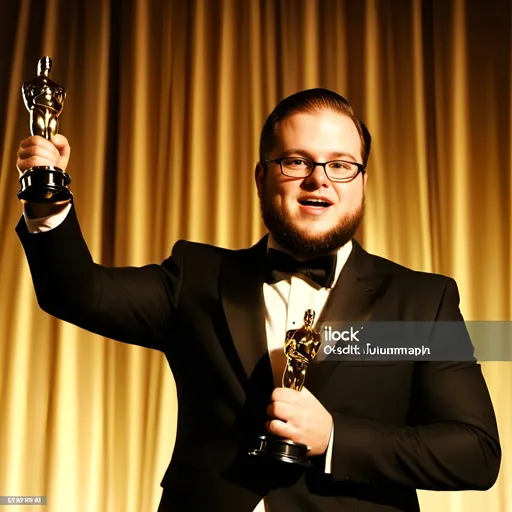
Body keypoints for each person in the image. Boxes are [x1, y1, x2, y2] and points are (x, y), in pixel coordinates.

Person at [16, 88, 501, 511]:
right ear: (262, 177)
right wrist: (47, 200)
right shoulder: (198, 277)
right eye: (297, 161)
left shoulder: (421, 300)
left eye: (341, 164)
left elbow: (475, 452)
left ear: (362, 183)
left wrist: (336, 439)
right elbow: (76, 293)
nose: (319, 179)